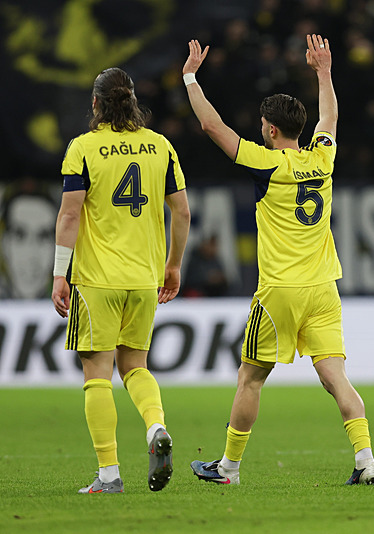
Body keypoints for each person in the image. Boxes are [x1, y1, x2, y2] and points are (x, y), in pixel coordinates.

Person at [183, 35, 374, 486]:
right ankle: (366, 459)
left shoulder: (265, 162)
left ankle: (228, 468)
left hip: (279, 293)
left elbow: (213, 127)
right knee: (336, 377)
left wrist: (191, 78)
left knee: (250, 379)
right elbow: (329, 116)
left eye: (261, 124)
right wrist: (324, 72)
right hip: (324, 288)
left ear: (271, 130)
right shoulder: (323, 158)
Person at [51, 67, 191, 494]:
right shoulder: (160, 146)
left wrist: (59, 273)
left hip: (97, 280)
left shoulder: (84, 147)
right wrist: (173, 266)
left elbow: (70, 215)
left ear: (95, 103)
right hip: (144, 279)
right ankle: (155, 426)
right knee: (136, 365)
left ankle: (109, 474)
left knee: (97, 372)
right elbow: (182, 212)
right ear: (132, 101)